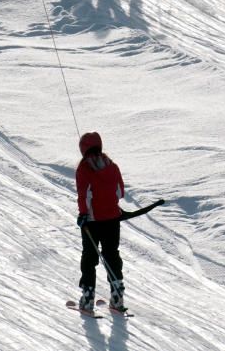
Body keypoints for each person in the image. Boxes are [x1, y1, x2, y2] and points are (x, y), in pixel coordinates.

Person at [75, 131, 127, 312]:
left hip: (92, 222)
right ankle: (117, 295)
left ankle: (88, 297)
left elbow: (83, 195)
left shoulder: (83, 169)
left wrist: (83, 214)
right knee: (112, 255)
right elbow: (120, 192)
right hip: (112, 220)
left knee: (89, 258)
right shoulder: (113, 166)